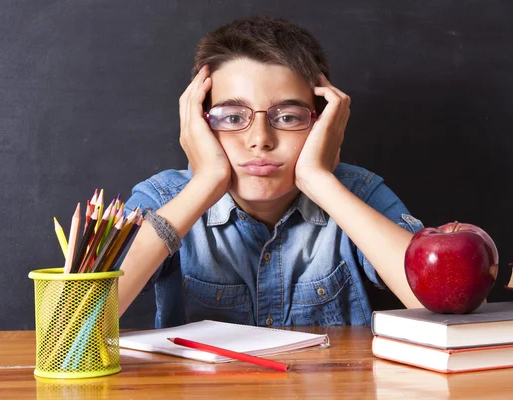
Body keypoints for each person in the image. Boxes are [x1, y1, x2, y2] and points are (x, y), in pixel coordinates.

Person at [120, 16, 424, 328]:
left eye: (289, 117)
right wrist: (206, 182)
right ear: (199, 123)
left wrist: (319, 181)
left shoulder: (357, 193)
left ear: (323, 123)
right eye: (233, 117)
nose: (260, 140)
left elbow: (448, 311)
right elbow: (71, 330)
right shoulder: (162, 199)